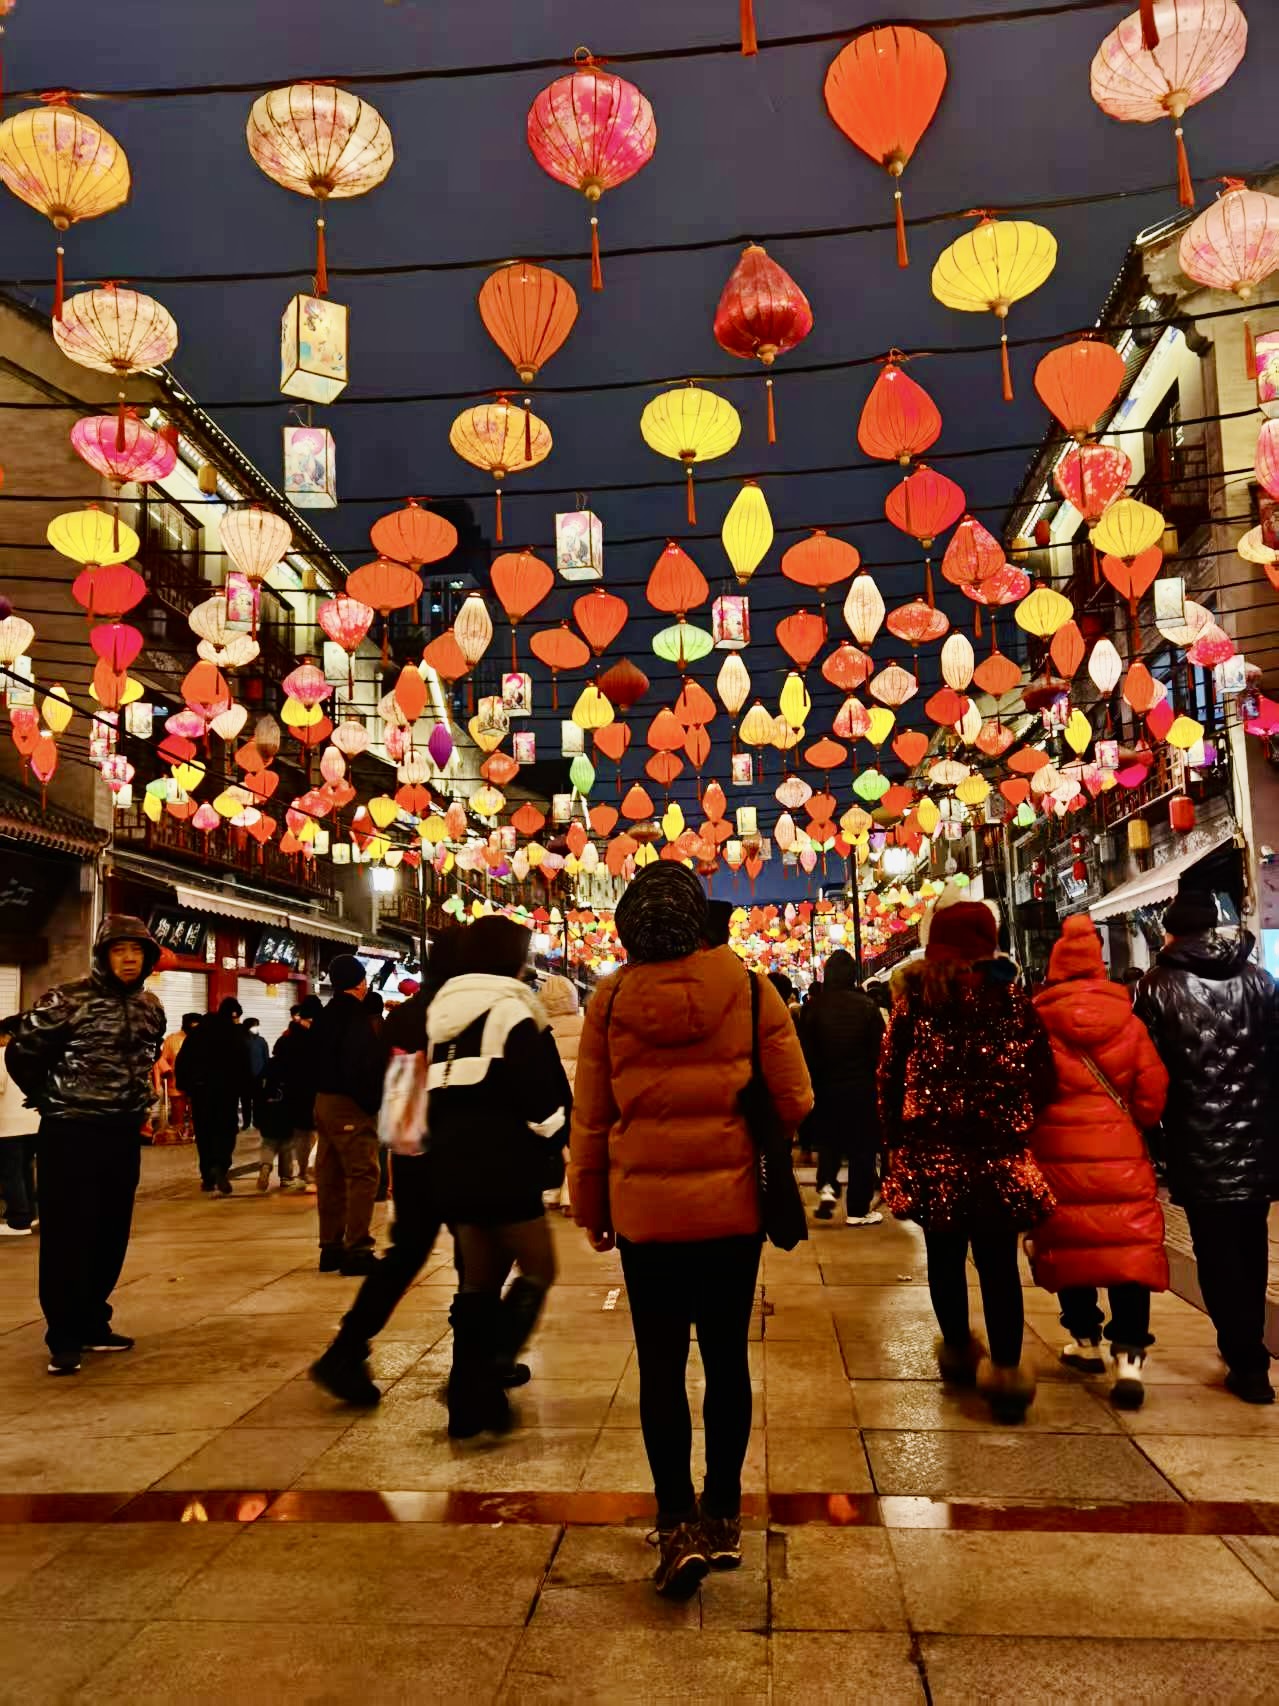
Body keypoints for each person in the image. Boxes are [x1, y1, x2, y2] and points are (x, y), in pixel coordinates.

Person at [570, 863, 813, 1599]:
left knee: (660, 1367)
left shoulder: (609, 1001)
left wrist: (592, 1206)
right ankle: (721, 1516)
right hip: (732, 1211)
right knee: (726, 1361)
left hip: (645, 1217)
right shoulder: (747, 989)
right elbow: (796, 1097)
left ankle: (675, 1524)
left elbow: (592, 1120)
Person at [880, 901, 1057, 1423]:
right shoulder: (1012, 1002)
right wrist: (1019, 1118)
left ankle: (958, 1352)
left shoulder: (915, 1003)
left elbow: (888, 1076)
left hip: (935, 1155)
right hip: (998, 1155)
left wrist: (893, 1137)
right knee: (999, 1264)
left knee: (945, 1256)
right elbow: (1043, 1074)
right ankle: (1005, 1373)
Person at [425, 918, 571, 1439]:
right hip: (504, 1165)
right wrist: (557, 1139)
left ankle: (467, 1403)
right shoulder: (510, 1011)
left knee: (478, 1284)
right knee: (538, 1268)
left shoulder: (442, 1013)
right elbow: (539, 1095)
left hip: (453, 1165)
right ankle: (489, 1371)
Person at [1135, 887, 1279, 1404]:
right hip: (1259, 1141)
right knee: (1250, 1247)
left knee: (1216, 1253)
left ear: (1170, 932)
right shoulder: (1260, 980)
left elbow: (1149, 1075)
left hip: (1197, 1143)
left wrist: (1154, 1140)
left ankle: (1246, 1359)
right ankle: (1248, 1347)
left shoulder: (1155, 987)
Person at [4, 916, 165, 1374]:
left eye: (137, 950)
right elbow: (21, 1051)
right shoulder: (66, 1000)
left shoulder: (151, 1006)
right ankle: (64, 1335)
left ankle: (94, 1319)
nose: (129, 958)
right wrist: (48, 1099)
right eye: (119, 950)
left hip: (122, 1132)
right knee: (67, 1234)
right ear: (102, 955)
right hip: (70, 1131)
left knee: (110, 1231)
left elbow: (145, 1058)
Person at [311, 937, 461, 1407]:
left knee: (405, 1255)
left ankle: (346, 1347)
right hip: (458, 1149)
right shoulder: (469, 1012)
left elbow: (395, 1089)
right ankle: (479, 1364)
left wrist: (401, 1140)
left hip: (414, 1150)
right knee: (483, 1253)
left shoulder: (403, 1015)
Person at [1028, 915, 1170, 1410]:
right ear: (1100, 967)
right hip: (1121, 1155)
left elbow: (1028, 1096)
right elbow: (1152, 1096)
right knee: (1128, 1252)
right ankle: (1129, 1354)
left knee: (1073, 1246)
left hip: (1058, 1155)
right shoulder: (1129, 1024)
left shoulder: (1038, 1024)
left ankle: (1085, 1339)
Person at [311, 955, 387, 1276]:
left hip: (323, 1102)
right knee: (362, 1173)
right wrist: (371, 1103)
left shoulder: (324, 1015)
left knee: (329, 1176)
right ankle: (358, 1248)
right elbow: (360, 1065)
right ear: (359, 983)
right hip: (348, 1103)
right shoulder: (355, 1017)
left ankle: (330, 1247)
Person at [800, 949, 885, 1228]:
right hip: (861, 1087)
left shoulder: (813, 1007)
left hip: (825, 1088)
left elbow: (805, 1051)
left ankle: (826, 1187)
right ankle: (858, 1210)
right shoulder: (867, 1006)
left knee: (830, 1143)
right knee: (862, 1148)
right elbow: (880, 1050)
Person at [176, 998, 251, 1196]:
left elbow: (183, 1060)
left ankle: (207, 1176)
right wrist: (246, 1090)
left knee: (204, 1132)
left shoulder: (197, 1034)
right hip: (227, 1091)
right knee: (226, 1130)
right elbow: (243, 1064)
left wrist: (184, 1085)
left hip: (201, 1092)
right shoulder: (234, 1035)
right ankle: (221, 1165)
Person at [542, 975, 583, 1215]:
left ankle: (552, 1193)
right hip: (578, 1089)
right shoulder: (584, 1025)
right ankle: (571, 1196)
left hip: (554, 1091)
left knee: (557, 1143)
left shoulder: (539, 1027)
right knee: (577, 1145)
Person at [0, 1013, 38, 1237]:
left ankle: (18, 1220)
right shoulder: (33, 1054)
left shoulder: (3, 1054)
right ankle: (30, 1215)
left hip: (9, 1126)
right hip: (34, 1123)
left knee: (10, 1172)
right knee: (25, 1169)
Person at [153, 1011, 199, 1141]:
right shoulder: (172, 1039)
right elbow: (161, 1059)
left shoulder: (203, 1039)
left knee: (196, 1115)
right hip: (176, 1086)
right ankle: (177, 1137)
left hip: (196, 1085)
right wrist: (165, 1073)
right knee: (177, 1118)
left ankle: (194, 1135)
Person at [240, 1016, 269, 1131]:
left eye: (257, 1025)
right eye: (253, 1025)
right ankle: (246, 1122)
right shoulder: (241, 1040)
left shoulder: (261, 1041)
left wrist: (266, 1074)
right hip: (244, 1076)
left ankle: (258, 1121)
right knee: (245, 1101)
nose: (256, 1028)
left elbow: (265, 1058)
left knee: (258, 1101)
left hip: (259, 1076)